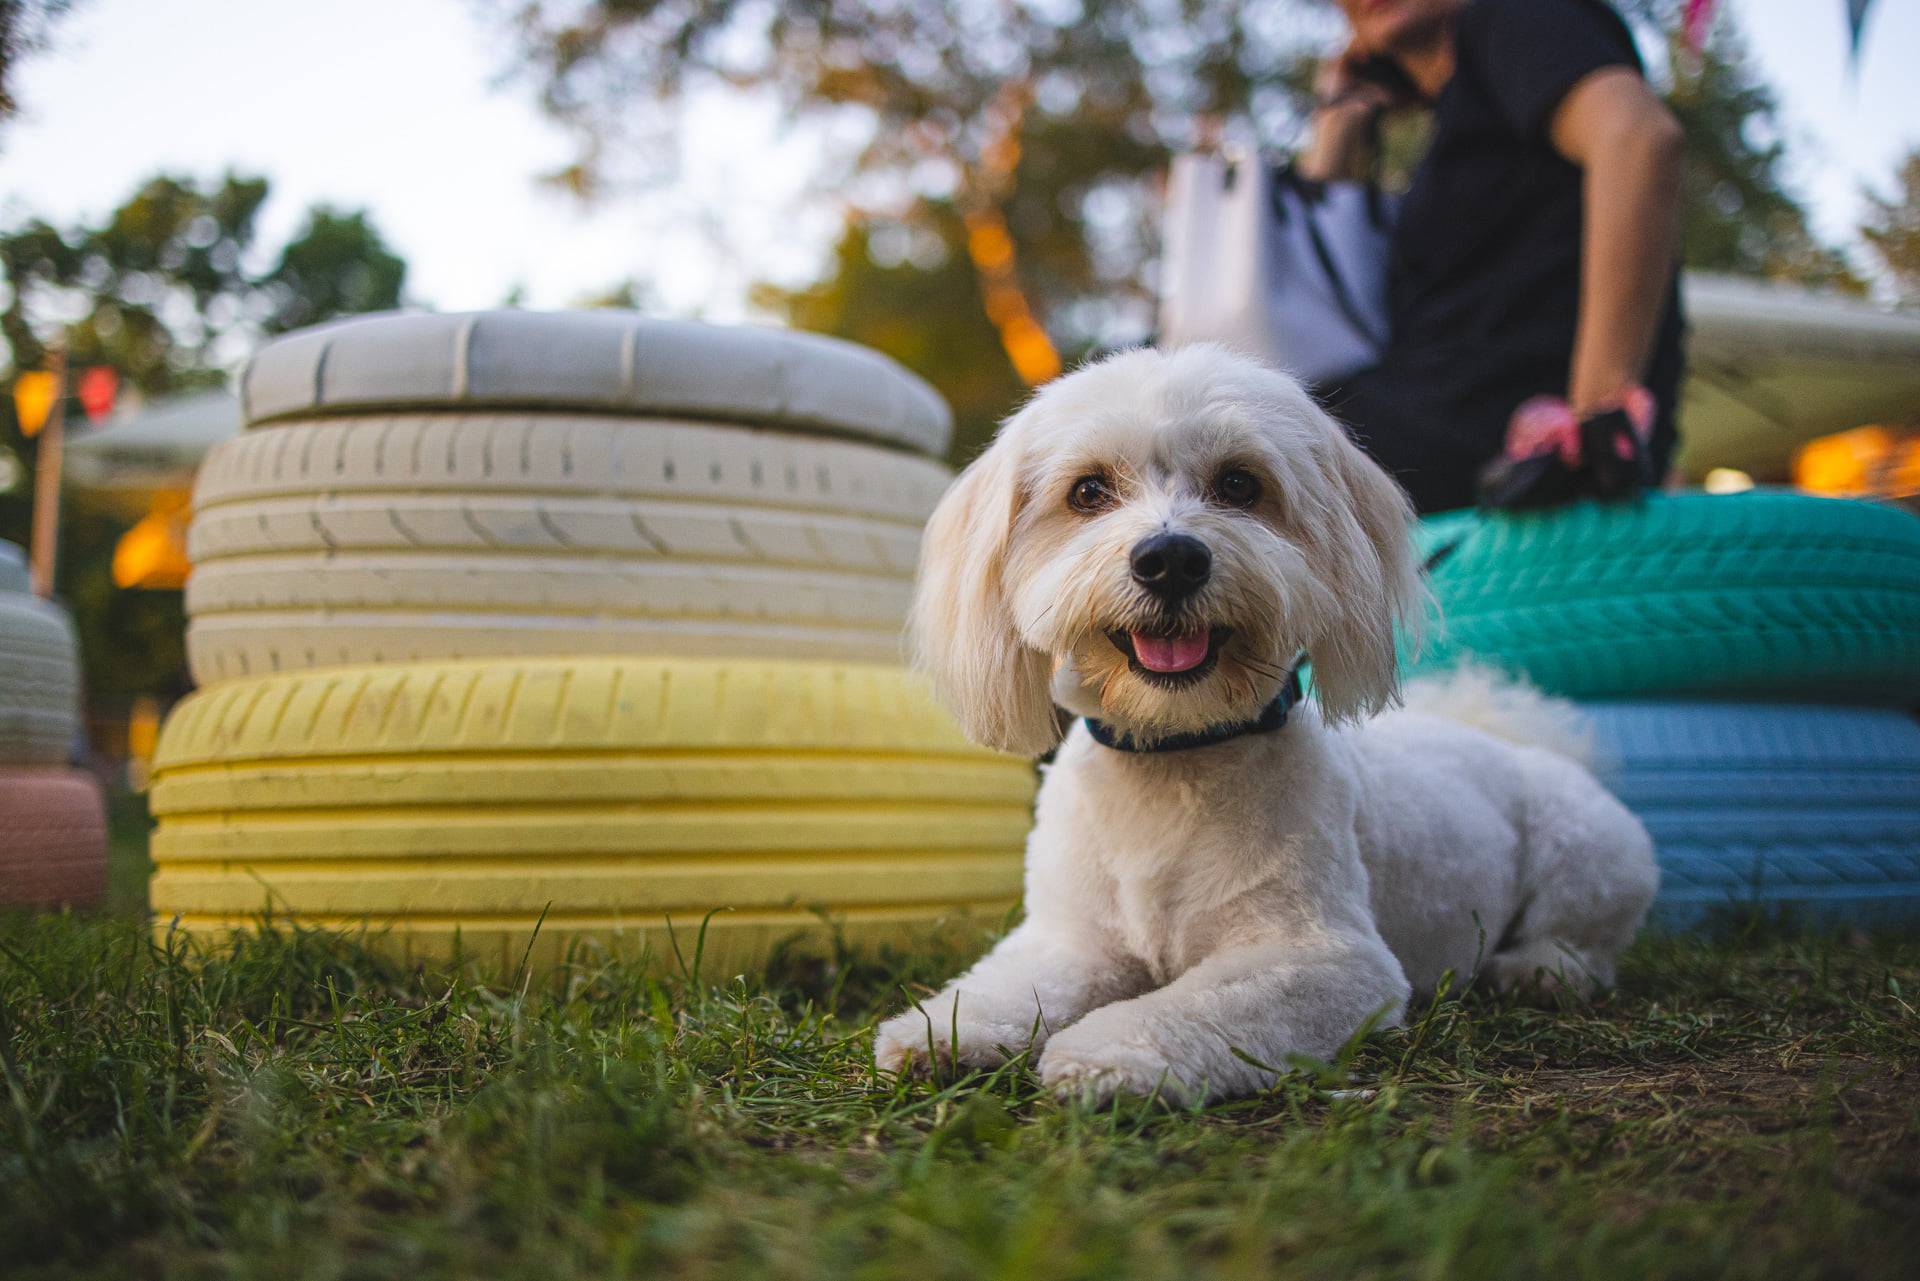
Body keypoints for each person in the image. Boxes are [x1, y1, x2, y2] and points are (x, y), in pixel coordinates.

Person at [1299, 0, 1686, 513]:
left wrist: (1593, 425)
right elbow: (1316, 269)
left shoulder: (1513, 15)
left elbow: (1638, 138)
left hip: (1508, 445)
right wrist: (1340, 115)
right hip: (1448, 438)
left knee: (1247, 441)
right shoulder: (1462, 116)